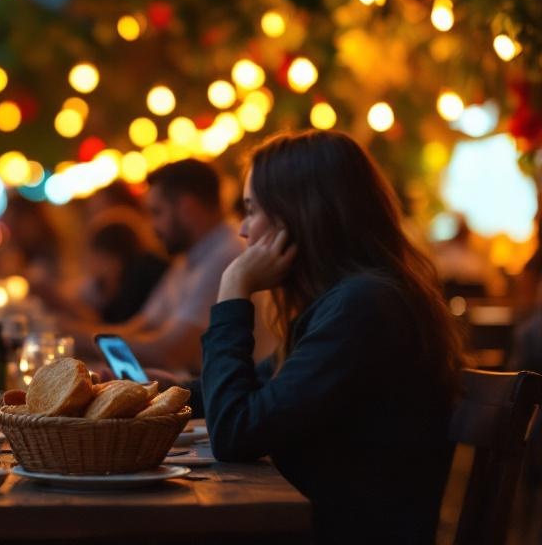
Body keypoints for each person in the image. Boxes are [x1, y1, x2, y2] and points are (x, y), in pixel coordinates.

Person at [201, 130, 464, 543]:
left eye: (251, 210)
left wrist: (233, 291)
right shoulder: (350, 301)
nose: (243, 230)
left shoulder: (364, 307)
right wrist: (155, 391)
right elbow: (255, 389)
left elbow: (236, 432)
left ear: (298, 215)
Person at [61, 160, 269, 374]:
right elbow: (140, 327)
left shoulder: (226, 254)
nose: (151, 227)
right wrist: (73, 334)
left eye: (157, 213)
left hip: (226, 398)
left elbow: (169, 351)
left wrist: (69, 337)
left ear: (187, 208)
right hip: (197, 390)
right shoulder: (189, 256)